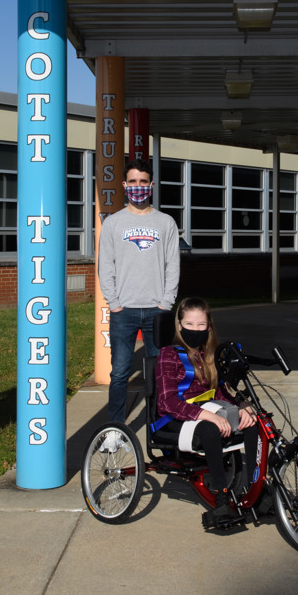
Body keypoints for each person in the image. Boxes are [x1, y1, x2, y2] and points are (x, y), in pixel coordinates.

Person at [151, 297, 259, 521]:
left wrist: (241, 406)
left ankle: (254, 490)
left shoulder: (208, 356)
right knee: (210, 430)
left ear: (208, 327)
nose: (195, 330)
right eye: (189, 324)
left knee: (251, 423)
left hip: (206, 412)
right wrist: (206, 415)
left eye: (201, 325)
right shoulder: (169, 355)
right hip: (173, 418)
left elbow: (218, 393)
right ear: (179, 325)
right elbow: (166, 402)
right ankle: (220, 500)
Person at [97, 158, 180, 425]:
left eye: (143, 182)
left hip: (157, 310)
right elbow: (105, 266)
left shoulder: (166, 222)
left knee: (159, 374)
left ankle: (158, 423)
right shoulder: (112, 223)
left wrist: (166, 303)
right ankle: (115, 428)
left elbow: (173, 265)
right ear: (124, 185)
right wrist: (114, 302)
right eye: (132, 181)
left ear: (151, 185)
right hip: (124, 312)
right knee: (120, 374)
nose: (138, 186)